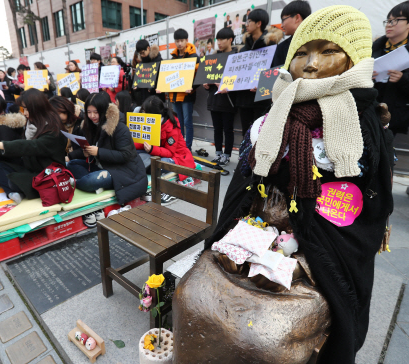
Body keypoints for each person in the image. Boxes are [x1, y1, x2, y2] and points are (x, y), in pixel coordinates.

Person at [173, 6, 394, 364]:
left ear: (354, 60)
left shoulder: (361, 125)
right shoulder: (270, 118)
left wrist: (302, 261)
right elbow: (245, 188)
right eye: (302, 53)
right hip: (257, 227)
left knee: (268, 337)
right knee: (192, 291)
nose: (310, 64)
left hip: (314, 253)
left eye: (327, 52)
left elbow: (360, 215)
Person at [0, 89, 67, 204]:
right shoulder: (31, 124)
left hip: (49, 175)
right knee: (0, 167)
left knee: (13, 181)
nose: (24, 113)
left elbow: (31, 146)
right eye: (22, 109)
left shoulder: (52, 129)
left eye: (26, 109)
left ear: (36, 107)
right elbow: (23, 148)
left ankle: (16, 190)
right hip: (32, 169)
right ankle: (14, 193)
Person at [67, 93, 148, 206]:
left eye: (95, 112)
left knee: (93, 180)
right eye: (89, 112)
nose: (92, 116)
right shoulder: (90, 126)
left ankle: (77, 182)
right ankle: (92, 184)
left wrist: (98, 152)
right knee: (71, 164)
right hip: (102, 166)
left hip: (123, 171)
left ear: (104, 110)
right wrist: (86, 153)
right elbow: (91, 148)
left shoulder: (120, 128)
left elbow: (125, 155)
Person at [135, 96, 195, 204]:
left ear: (155, 115)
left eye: (146, 112)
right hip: (156, 153)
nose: (143, 115)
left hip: (177, 157)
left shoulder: (171, 125)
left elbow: (170, 153)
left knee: (157, 165)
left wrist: (152, 149)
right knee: (134, 155)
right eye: (143, 111)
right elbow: (141, 143)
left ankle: (167, 190)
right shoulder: (148, 122)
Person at [235, 9, 282, 134]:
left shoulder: (271, 46)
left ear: (258, 23)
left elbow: (275, 71)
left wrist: (263, 86)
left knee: (259, 134)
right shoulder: (244, 48)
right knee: (246, 134)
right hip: (243, 99)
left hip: (261, 100)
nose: (246, 24)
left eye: (249, 21)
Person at [373, 1, 409, 138]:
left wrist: (402, 79)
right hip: (368, 110)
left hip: (394, 115)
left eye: (395, 20)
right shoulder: (374, 47)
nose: (389, 24)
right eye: (388, 21)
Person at [203, 27, 238, 166]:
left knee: (228, 129)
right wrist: (207, 84)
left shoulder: (236, 58)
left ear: (230, 40)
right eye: (217, 39)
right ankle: (218, 153)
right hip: (214, 99)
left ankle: (227, 155)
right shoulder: (214, 58)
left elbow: (239, 79)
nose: (219, 42)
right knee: (217, 129)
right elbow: (209, 77)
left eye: (222, 39)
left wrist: (227, 87)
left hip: (228, 101)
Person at [164, 28, 200, 150]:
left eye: (182, 40)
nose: (179, 43)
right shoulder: (173, 58)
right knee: (178, 123)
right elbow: (167, 77)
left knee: (187, 122)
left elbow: (199, 76)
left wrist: (192, 88)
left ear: (186, 41)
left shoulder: (194, 56)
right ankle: (180, 146)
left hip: (187, 95)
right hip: (174, 96)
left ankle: (187, 147)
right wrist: (162, 87)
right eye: (177, 41)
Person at [271, 1, 312, 67]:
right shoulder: (281, 48)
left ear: (297, 18)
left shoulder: (317, 41)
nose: (281, 26)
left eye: (283, 20)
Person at [134, 40, 164, 106]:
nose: (142, 55)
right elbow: (141, 79)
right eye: (140, 54)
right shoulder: (141, 64)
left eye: (143, 53)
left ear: (148, 48)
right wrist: (137, 86)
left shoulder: (158, 61)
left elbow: (162, 79)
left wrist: (152, 87)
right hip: (144, 98)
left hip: (156, 98)